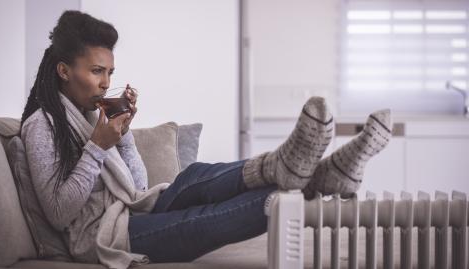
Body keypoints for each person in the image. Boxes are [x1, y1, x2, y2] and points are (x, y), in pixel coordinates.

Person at [20, 10, 392, 269]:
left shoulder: (88, 116)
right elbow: (58, 213)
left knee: (194, 178)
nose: (105, 82)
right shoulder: (42, 125)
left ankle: (284, 166)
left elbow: (138, 187)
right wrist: (99, 146)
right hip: (97, 239)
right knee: (202, 220)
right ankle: (321, 180)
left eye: (110, 72)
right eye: (97, 71)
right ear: (64, 71)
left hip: (128, 211)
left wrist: (124, 136)